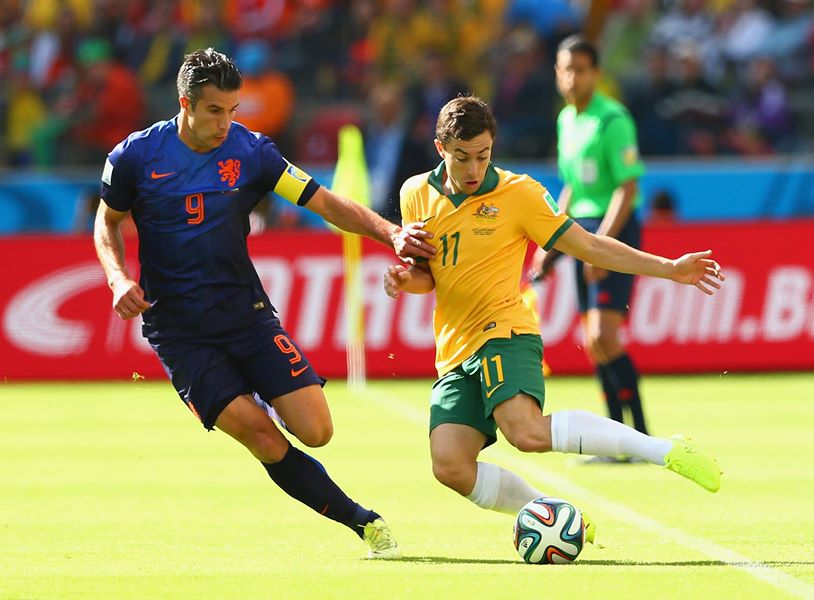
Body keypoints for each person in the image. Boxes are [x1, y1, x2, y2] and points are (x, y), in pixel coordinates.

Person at [93, 48, 435, 559]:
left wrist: (391, 233)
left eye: (233, 110)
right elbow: (107, 222)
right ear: (185, 103)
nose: (226, 123)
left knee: (317, 431)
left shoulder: (251, 152)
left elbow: (323, 200)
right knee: (262, 436)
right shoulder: (135, 157)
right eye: (215, 111)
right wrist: (118, 278)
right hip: (180, 333)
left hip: (245, 315)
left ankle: (252, 396)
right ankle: (363, 523)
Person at [383, 95, 723, 540]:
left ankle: (663, 450)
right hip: (453, 348)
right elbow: (431, 276)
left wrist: (668, 268)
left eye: (483, 155)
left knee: (524, 432)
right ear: (439, 148)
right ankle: (554, 516)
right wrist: (405, 280)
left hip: (504, 330)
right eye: (462, 157)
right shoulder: (415, 193)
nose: (473, 169)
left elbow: (589, 246)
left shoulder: (519, 194)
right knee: (449, 465)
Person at [531, 35, 650, 453]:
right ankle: (615, 438)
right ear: (557, 73)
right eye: (566, 69)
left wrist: (602, 242)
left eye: (580, 69)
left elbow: (627, 187)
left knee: (605, 335)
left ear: (595, 74)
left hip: (609, 226)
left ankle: (639, 434)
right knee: (592, 339)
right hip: (578, 227)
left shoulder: (612, 119)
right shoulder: (567, 119)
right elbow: (570, 187)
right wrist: (550, 241)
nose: (572, 77)